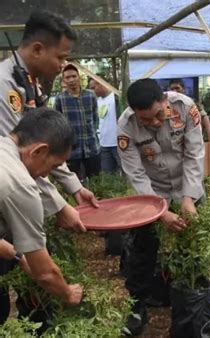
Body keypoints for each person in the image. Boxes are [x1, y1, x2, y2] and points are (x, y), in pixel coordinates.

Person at [117, 79, 204, 335]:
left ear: (165, 101)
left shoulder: (186, 108)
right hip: (152, 193)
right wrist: (160, 211)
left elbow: (194, 155)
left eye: (158, 115)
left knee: (194, 246)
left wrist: (188, 198)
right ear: (134, 114)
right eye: (146, 120)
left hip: (187, 185)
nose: (154, 123)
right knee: (143, 249)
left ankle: (192, 300)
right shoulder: (125, 127)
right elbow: (136, 174)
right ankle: (137, 307)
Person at [0, 11, 97, 232]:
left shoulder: (29, 83)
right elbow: (22, 157)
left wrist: (74, 187)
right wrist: (60, 207)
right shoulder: (5, 85)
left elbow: (49, 143)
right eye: (61, 57)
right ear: (37, 49)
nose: (63, 65)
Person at [0, 108, 83, 324]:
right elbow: (45, 273)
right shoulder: (20, 185)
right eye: (54, 165)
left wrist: (17, 256)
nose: (48, 175)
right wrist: (67, 293)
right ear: (38, 151)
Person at [55, 64, 101, 181]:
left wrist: (92, 132)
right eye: (68, 77)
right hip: (72, 150)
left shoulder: (90, 95)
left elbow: (95, 118)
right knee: (74, 182)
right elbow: (58, 123)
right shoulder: (60, 99)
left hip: (91, 147)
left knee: (96, 180)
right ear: (64, 80)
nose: (71, 80)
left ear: (79, 78)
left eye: (74, 76)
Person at [89, 77, 121, 173]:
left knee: (125, 173)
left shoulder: (115, 98)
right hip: (104, 144)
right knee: (107, 175)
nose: (92, 91)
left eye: (93, 88)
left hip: (118, 144)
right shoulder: (97, 101)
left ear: (101, 84)